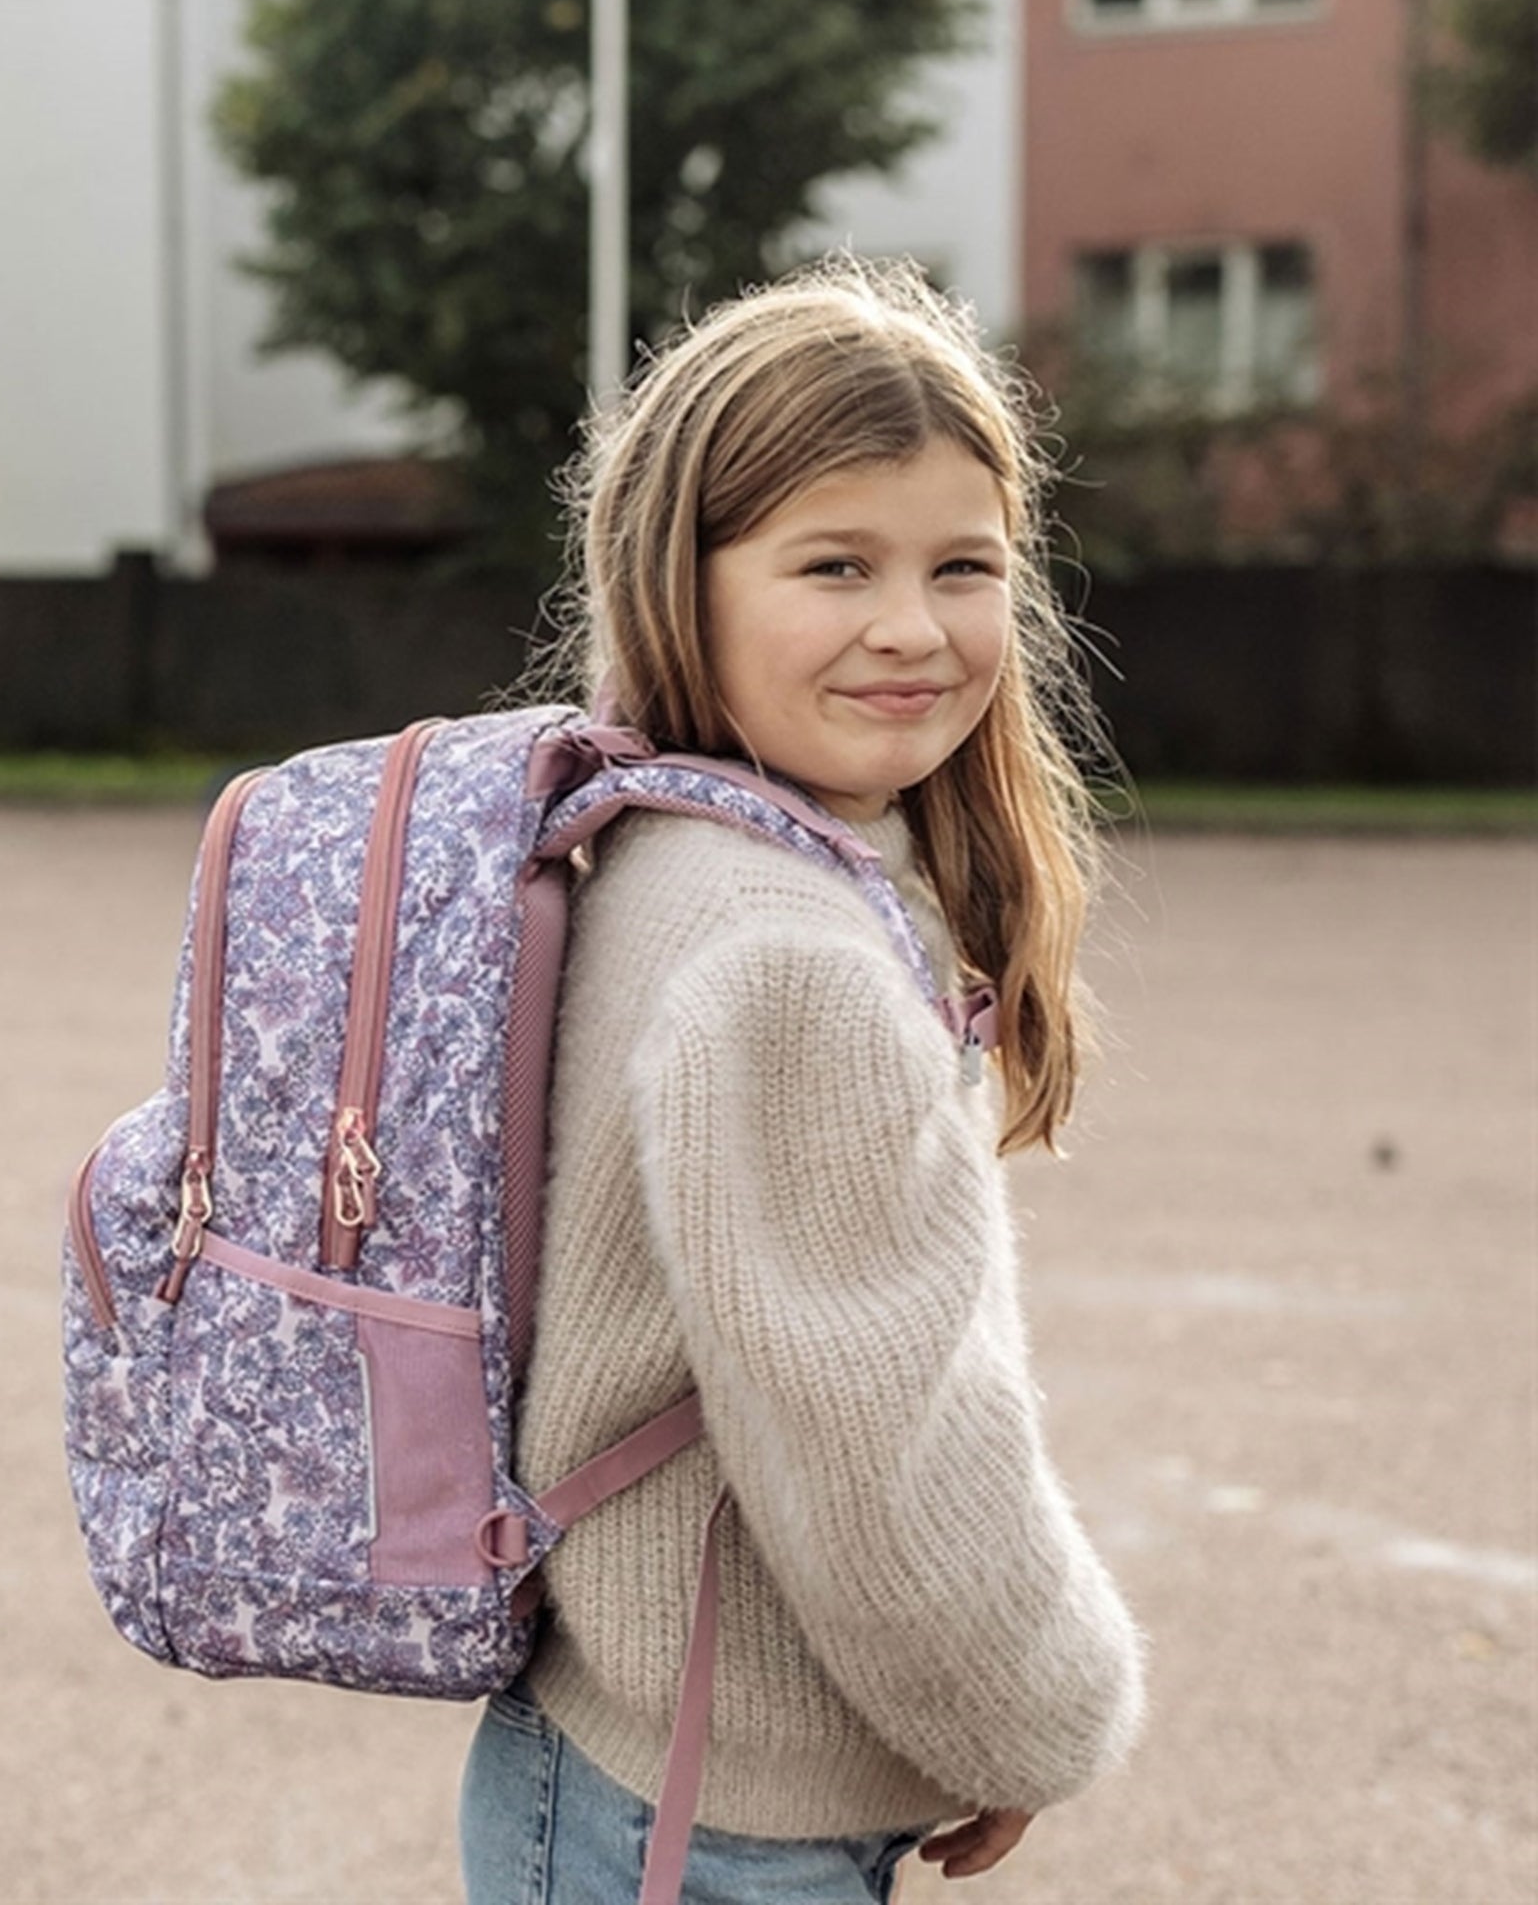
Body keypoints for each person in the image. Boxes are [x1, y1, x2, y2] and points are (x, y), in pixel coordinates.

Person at [458, 255, 1148, 1904]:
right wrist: (1035, 1716)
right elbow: (880, 1451)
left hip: (631, 1774)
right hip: (706, 1821)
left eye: (962, 566)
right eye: (833, 564)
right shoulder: (787, 957)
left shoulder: (654, 848)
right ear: (678, 588)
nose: (910, 627)